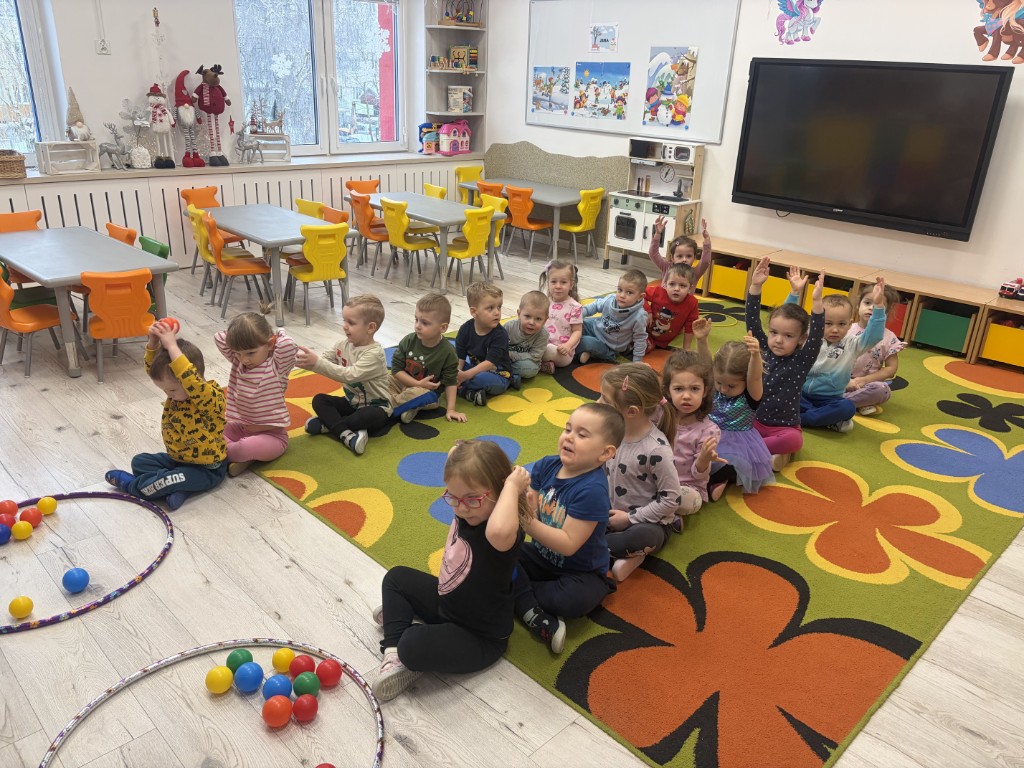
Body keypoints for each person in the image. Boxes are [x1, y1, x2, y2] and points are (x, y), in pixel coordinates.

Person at [372, 440, 530, 701]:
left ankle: (400, 632)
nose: (461, 508)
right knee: (395, 578)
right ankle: (393, 652)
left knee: (411, 643)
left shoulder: (502, 531)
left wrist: (513, 485)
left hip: (480, 637)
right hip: (448, 605)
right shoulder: (469, 507)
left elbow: (499, 530)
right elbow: (457, 461)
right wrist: (460, 454)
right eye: (453, 498)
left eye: (472, 499)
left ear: (501, 491)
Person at [513, 403, 624, 652]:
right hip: (542, 555)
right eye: (568, 429)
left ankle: (518, 596)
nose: (569, 437)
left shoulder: (592, 490)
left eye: (582, 435)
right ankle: (526, 603)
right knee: (496, 551)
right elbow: (533, 506)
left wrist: (528, 522)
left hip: (581, 572)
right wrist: (520, 499)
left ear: (605, 453)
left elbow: (568, 544)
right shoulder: (546, 465)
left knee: (571, 601)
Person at [105, 320, 226, 510]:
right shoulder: (177, 392)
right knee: (140, 462)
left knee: (164, 480)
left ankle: (133, 487)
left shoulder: (208, 398)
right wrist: (153, 343)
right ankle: (180, 488)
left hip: (207, 470)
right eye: (165, 390)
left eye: (172, 390)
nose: (168, 394)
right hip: (178, 460)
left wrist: (171, 346)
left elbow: (189, 378)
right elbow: (154, 370)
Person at [598, 364, 681, 582]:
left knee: (643, 536)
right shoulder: (611, 431)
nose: (598, 403)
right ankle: (615, 552)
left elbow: (672, 499)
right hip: (609, 513)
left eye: (605, 400)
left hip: (647, 522)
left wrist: (629, 518)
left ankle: (617, 552)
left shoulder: (656, 450)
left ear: (632, 411)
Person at [746, 259, 825, 470]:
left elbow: (817, 336)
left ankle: (755, 450)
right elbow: (752, 321)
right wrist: (755, 286)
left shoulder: (801, 360)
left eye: (788, 336)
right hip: (754, 421)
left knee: (794, 440)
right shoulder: (763, 348)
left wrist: (817, 303)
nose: (778, 340)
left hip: (784, 427)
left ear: (801, 339)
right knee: (727, 426)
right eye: (774, 332)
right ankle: (769, 453)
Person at [299, 295, 393, 455]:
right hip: (352, 403)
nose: (344, 326)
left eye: (351, 323)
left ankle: (331, 426)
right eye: (344, 320)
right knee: (319, 400)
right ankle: (346, 433)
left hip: (377, 407)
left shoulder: (374, 354)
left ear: (370, 327)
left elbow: (349, 375)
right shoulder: (343, 344)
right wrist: (300, 359)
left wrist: (316, 363)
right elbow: (324, 361)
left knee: (367, 416)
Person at [792, 278, 888, 432]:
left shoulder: (853, 344)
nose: (835, 330)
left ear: (850, 324)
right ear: (817, 321)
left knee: (847, 407)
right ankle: (823, 419)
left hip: (830, 399)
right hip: (799, 393)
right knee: (777, 389)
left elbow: (874, 335)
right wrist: (795, 292)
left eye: (841, 324)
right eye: (828, 323)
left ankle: (801, 419)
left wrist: (878, 306)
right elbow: (789, 320)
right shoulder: (808, 336)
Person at [696, 318, 775, 497]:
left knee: (733, 463)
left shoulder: (751, 394)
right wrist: (701, 340)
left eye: (731, 386)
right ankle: (715, 480)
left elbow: (755, 377)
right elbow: (706, 366)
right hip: (708, 435)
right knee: (688, 455)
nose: (723, 389)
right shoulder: (715, 384)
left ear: (745, 381)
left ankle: (717, 480)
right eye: (719, 383)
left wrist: (755, 356)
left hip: (738, 444)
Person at [213, 312, 297, 476]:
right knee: (211, 430)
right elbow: (219, 337)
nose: (244, 360)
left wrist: (278, 334)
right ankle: (242, 454)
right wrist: (240, 330)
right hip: (241, 428)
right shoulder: (238, 361)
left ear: (270, 343)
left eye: (251, 353)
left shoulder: (276, 366)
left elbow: (289, 345)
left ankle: (235, 452)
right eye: (238, 353)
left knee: (240, 448)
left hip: (272, 436)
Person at [390, 293, 467, 424]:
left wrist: (451, 410)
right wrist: (417, 383)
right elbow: (396, 370)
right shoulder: (408, 340)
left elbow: (451, 382)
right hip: (404, 382)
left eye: (425, 323)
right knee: (381, 380)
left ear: (443, 328)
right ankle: (408, 406)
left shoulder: (448, 352)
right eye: (416, 320)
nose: (418, 326)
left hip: (426, 391)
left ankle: (386, 407)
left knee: (421, 395)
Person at [661, 348, 720, 519]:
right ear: (668, 391)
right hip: (657, 479)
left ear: (705, 391)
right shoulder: (660, 413)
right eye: (679, 389)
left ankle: (660, 513)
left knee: (688, 500)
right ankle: (664, 514)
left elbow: (698, 474)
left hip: (687, 487)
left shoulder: (709, 430)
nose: (686, 396)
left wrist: (704, 459)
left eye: (694, 389)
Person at [845, 283, 906, 416]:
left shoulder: (889, 337)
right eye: (867, 302)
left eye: (878, 306)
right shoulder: (846, 329)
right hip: (839, 380)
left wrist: (863, 380)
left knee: (882, 390)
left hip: (865, 384)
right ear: (858, 305)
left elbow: (891, 368)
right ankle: (855, 403)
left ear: (886, 311)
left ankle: (839, 402)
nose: (871, 308)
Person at [455, 281, 513, 406]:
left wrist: (464, 376)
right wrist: (457, 373)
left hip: (498, 375)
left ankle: (462, 391)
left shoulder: (500, 334)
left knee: (480, 379)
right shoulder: (465, 329)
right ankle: (469, 393)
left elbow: (489, 363)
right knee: (445, 365)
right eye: (490, 308)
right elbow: (460, 356)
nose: (497, 312)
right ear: (474, 312)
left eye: (499, 307)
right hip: (474, 369)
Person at [575, 269, 649, 364]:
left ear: (640, 297)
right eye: (620, 290)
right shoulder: (610, 299)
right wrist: (578, 315)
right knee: (577, 324)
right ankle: (586, 352)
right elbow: (594, 306)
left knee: (585, 342)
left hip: (609, 346)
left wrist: (637, 362)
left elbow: (640, 339)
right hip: (595, 328)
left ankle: (606, 354)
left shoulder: (639, 316)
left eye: (629, 292)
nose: (622, 295)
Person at [539, 259, 583, 373]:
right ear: (548, 283)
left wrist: (568, 345)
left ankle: (536, 361)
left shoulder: (575, 307)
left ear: (571, 284)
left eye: (563, 282)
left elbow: (577, 331)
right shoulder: (545, 302)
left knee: (548, 349)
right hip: (541, 344)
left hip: (562, 353)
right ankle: (542, 364)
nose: (558, 286)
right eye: (553, 282)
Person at [645, 263, 700, 353]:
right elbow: (640, 294)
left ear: (690, 288)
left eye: (682, 286)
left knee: (644, 348)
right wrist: (648, 311)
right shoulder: (657, 292)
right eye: (672, 284)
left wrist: (686, 348)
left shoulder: (692, 303)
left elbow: (690, 326)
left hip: (664, 340)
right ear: (665, 285)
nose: (676, 289)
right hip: (644, 331)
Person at [648, 216, 713, 283]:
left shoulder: (695, 273)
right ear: (672, 258)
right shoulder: (667, 267)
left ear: (694, 257)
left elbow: (705, 262)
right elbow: (653, 254)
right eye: (679, 256)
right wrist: (657, 234)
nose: (684, 260)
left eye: (689, 256)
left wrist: (707, 239)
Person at [505, 291, 550, 383]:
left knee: (529, 370)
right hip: (504, 358)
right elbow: (497, 344)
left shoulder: (543, 334)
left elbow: (534, 356)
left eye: (538, 319)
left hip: (526, 362)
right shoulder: (509, 327)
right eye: (527, 316)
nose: (532, 322)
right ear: (519, 314)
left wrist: (511, 355)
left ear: (545, 320)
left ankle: (502, 372)